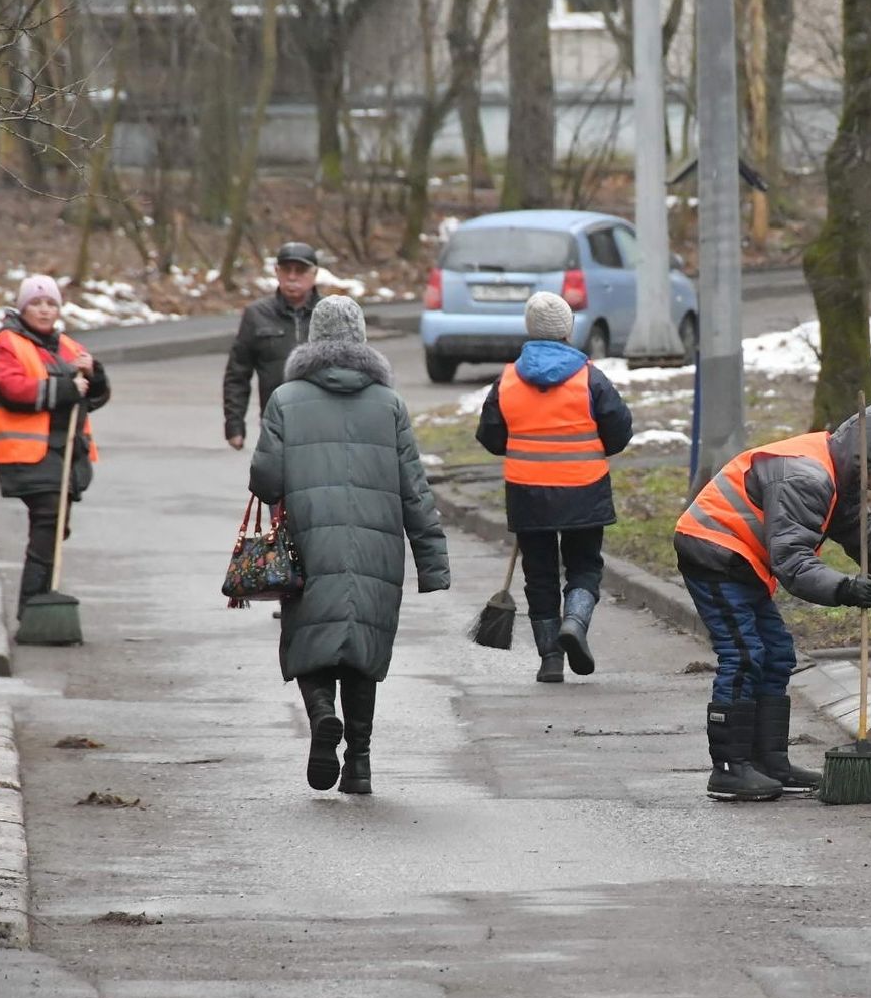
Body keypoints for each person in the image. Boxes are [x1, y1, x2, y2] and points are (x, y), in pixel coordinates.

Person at [250, 295, 450, 795]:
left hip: (307, 543)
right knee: (363, 649)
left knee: (310, 638)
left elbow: (266, 481)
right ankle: (358, 763)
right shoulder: (390, 404)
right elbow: (414, 488)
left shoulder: (285, 398)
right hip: (377, 548)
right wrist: (433, 562)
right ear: (361, 338)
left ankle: (321, 716)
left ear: (313, 338)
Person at [673, 405, 871, 801]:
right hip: (712, 550)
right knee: (744, 653)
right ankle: (730, 769)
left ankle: (770, 762)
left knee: (778, 653)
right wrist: (844, 589)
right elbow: (792, 561)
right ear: (862, 459)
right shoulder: (806, 476)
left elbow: (856, 526)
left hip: (743, 560)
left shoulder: (839, 475)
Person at [474, 292, 632, 683]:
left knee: (540, 574)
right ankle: (574, 623)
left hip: (529, 495)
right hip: (584, 490)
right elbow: (619, 430)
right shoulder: (589, 377)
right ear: (568, 330)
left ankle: (549, 659)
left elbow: (491, 437)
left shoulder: (508, 380)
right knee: (584, 566)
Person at [0, 275, 111, 618]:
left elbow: (95, 394)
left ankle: (41, 598)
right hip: (28, 455)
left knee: (54, 526)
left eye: (51, 303)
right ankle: (33, 604)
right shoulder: (7, 344)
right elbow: (14, 389)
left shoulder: (65, 345)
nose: (44, 309)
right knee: (49, 521)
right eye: (36, 303)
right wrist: (69, 387)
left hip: (64, 454)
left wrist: (93, 373)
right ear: (22, 307)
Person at [223, 241, 321, 450]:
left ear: (314, 274)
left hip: (324, 424)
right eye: (286, 270)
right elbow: (237, 373)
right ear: (277, 272)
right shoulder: (256, 315)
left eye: (300, 270)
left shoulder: (328, 313)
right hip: (276, 423)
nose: (292, 277)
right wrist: (234, 425)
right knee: (275, 481)